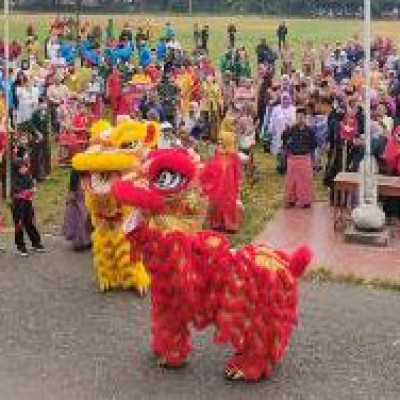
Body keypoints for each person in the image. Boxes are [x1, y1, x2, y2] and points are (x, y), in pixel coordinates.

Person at [11, 153, 45, 256]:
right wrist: (26, 193)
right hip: (17, 206)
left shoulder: (27, 175)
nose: (25, 169)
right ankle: (21, 246)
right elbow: (16, 193)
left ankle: (36, 243)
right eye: (22, 167)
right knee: (19, 225)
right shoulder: (12, 178)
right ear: (17, 169)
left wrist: (31, 190)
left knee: (30, 223)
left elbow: (32, 186)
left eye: (25, 166)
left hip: (27, 204)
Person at [282, 107, 316, 208]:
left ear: (305, 118)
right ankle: (291, 200)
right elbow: (284, 138)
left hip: (305, 158)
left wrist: (306, 150)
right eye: (298, 117)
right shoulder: (292, 129)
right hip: (293, 158)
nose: (299, 119)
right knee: (291, 181)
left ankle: (305, 201)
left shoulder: (310, 130)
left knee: (305, 181)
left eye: (302, 117)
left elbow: (313, 144)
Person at [63, 169, 91, 251]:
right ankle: (79, 242)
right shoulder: (78, 162)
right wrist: (72, 191)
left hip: (86, 185)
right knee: (80, 215)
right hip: (79, 189)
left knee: (87, 215)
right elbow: (74, 175)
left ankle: (86, 240)